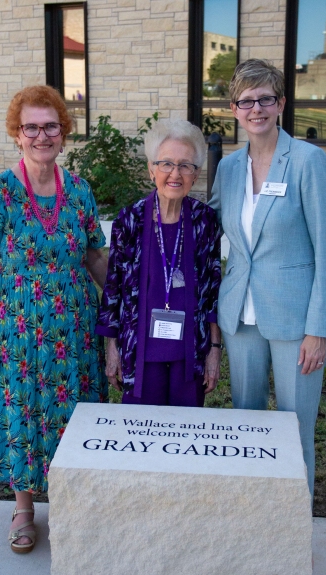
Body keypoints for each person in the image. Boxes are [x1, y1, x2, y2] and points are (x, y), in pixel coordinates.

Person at [0, 85, 108, 553]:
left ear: (63, 131)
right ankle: (23, 508)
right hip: (16, 331)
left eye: (50, 126)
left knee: (73, 415)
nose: (41, 135)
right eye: (31, 127)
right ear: (17, 134)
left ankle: (72, 506)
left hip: (71, 332)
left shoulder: (79, 191)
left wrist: (126, 308)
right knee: (23, 415)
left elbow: (95, 257)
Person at [209, 59, 326, 499]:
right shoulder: (228, 168)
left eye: (265, 98)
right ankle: (254, 512)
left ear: (280, 103)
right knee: (247, 424)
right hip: (241, 316)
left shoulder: (307, 161)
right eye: (246, 100)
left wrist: (319, 329)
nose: (256, 108)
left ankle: (293, 519)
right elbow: (210, 230)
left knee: (294, 428)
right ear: (234, 109)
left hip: (297, 319)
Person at [96, 120, 222, 407]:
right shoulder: (130, 219)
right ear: (151, 170)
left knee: (186, 435)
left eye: (185, 165)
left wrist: (215, 349)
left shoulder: (205, 221)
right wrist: (113, 347)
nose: (175, 174)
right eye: (166, 164)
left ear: (196, 174)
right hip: (139, 349)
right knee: (139, 435)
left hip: (190, 351)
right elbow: (114, 286)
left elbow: (214, 288)